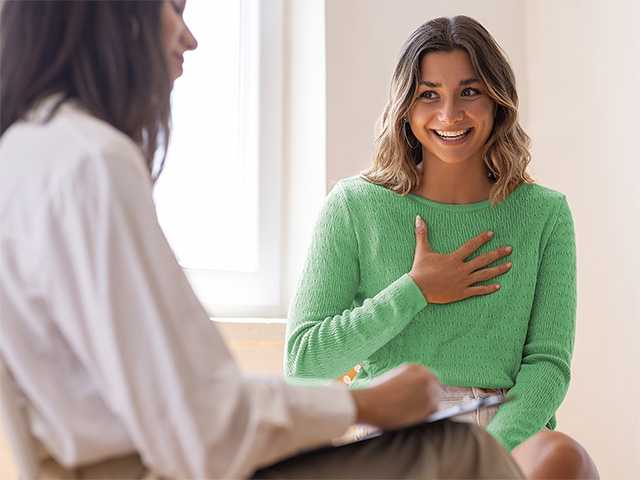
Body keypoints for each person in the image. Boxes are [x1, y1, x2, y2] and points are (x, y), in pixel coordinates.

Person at [0, 2, 524, 479]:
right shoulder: (92, 165)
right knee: (463, 453)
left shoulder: (25, 155)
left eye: (470, 92)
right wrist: (368, 404)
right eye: (173, 9)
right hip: (157, 467)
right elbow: (210, 426)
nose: (190, 39)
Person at [286, 16, 599, 479]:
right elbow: (303, 364)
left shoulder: (544, 213)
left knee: (564, 458)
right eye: (429, 94)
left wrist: (484, 451)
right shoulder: (354, 206)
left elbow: (548, 365)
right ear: (406, 107)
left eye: (469, 92)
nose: (450, 114)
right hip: (398, 430)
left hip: (507, 428)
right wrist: (415, 290)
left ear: (497, 101)